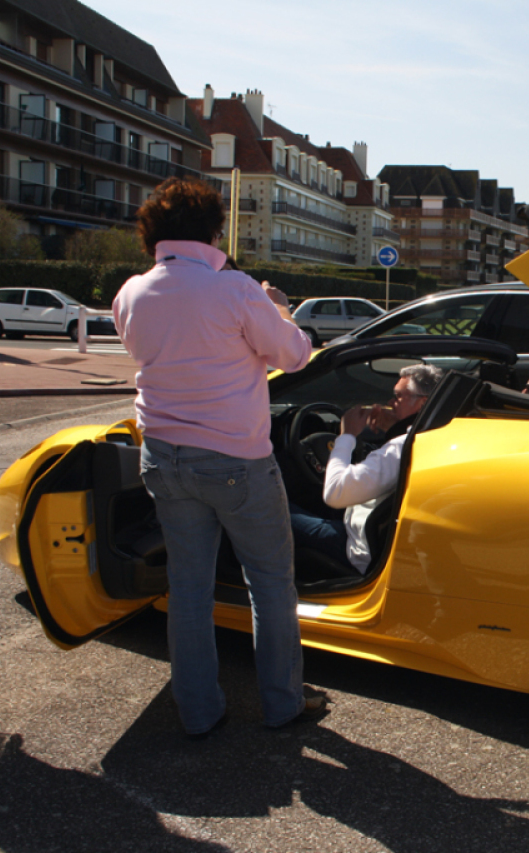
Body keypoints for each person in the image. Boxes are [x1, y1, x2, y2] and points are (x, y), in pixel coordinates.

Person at [113, 177, 320, 739]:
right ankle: (282, 703)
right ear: (212, 230)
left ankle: (199, 711)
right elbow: (295, 355)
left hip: (161, 456)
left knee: (189, 587)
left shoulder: (130, 293)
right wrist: (277, 309)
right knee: (271, 582)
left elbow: (146, 350)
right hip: (235, 460)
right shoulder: (235, 290)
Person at [290, 364, 444, 573]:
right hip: (374, 537)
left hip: (356, 549)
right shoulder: (437, 437)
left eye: (399, 397)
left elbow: (335, 493)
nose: (390, 403)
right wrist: (393, 429)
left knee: (268, 506)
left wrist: (347, 436)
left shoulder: (402, 447)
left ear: (422, 403)